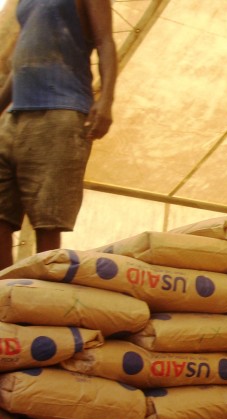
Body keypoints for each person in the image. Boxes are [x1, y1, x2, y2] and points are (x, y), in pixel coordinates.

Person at [0, 0, 117, 269]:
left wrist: (106, 100)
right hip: (14, 115)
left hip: (61, 110)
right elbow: (19, 67)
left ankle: (43, 297)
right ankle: (5, 296)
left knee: (48, 217)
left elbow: (105, 42)